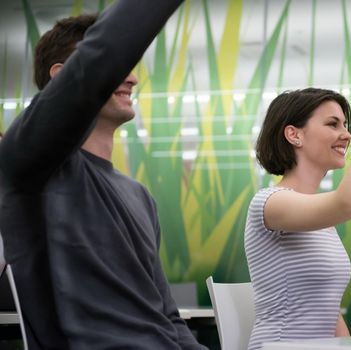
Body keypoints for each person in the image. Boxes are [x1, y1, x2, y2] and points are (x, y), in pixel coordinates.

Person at [0, 1, 207, 349]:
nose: (133, 78)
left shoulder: (139, 196)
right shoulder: (31, 163)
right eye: (118, 68)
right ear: (60, 78)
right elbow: (105, 50)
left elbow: (167, 317)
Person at [244, 38, 351, 350]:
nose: (346, 134)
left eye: (346, 124)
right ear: (294, 134)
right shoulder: (270, 204)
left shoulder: (322, 221)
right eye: (333, 124)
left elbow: (327, 313)